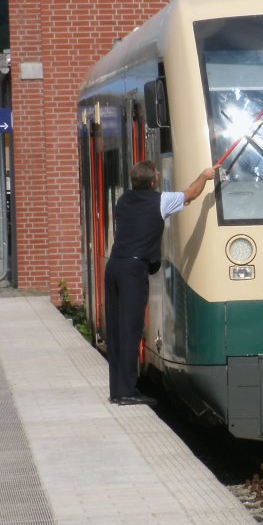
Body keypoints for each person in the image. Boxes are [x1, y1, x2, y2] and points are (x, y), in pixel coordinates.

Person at [104, 161, 216, 405]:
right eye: (157, 177)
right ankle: (126, 392)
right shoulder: (160, 201)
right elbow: (192, 193)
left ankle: (117, 389)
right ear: (154, 182)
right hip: (133, 270)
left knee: (116, 330)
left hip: (114, 266)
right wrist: (204, 175)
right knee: (131, 329)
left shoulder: (123, 201)